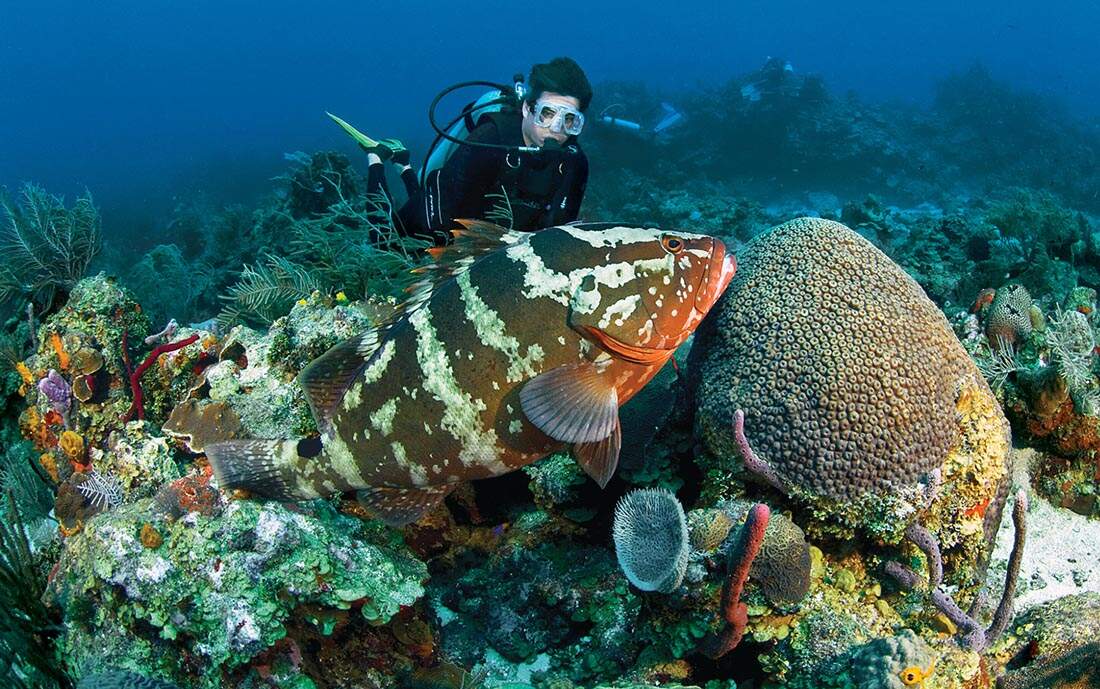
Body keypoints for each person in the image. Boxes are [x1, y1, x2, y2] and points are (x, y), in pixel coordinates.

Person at [334, 57, 592, 245]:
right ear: (527, 108)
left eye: (569, 120)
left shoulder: (574, 163)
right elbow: (445, 210)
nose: (556, 129)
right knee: (386, 242)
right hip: (449, 219)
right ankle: (376, 156)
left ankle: (403, 163)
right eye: (547, 113)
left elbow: (558, 234)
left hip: (493, 245)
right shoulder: (490, 139)